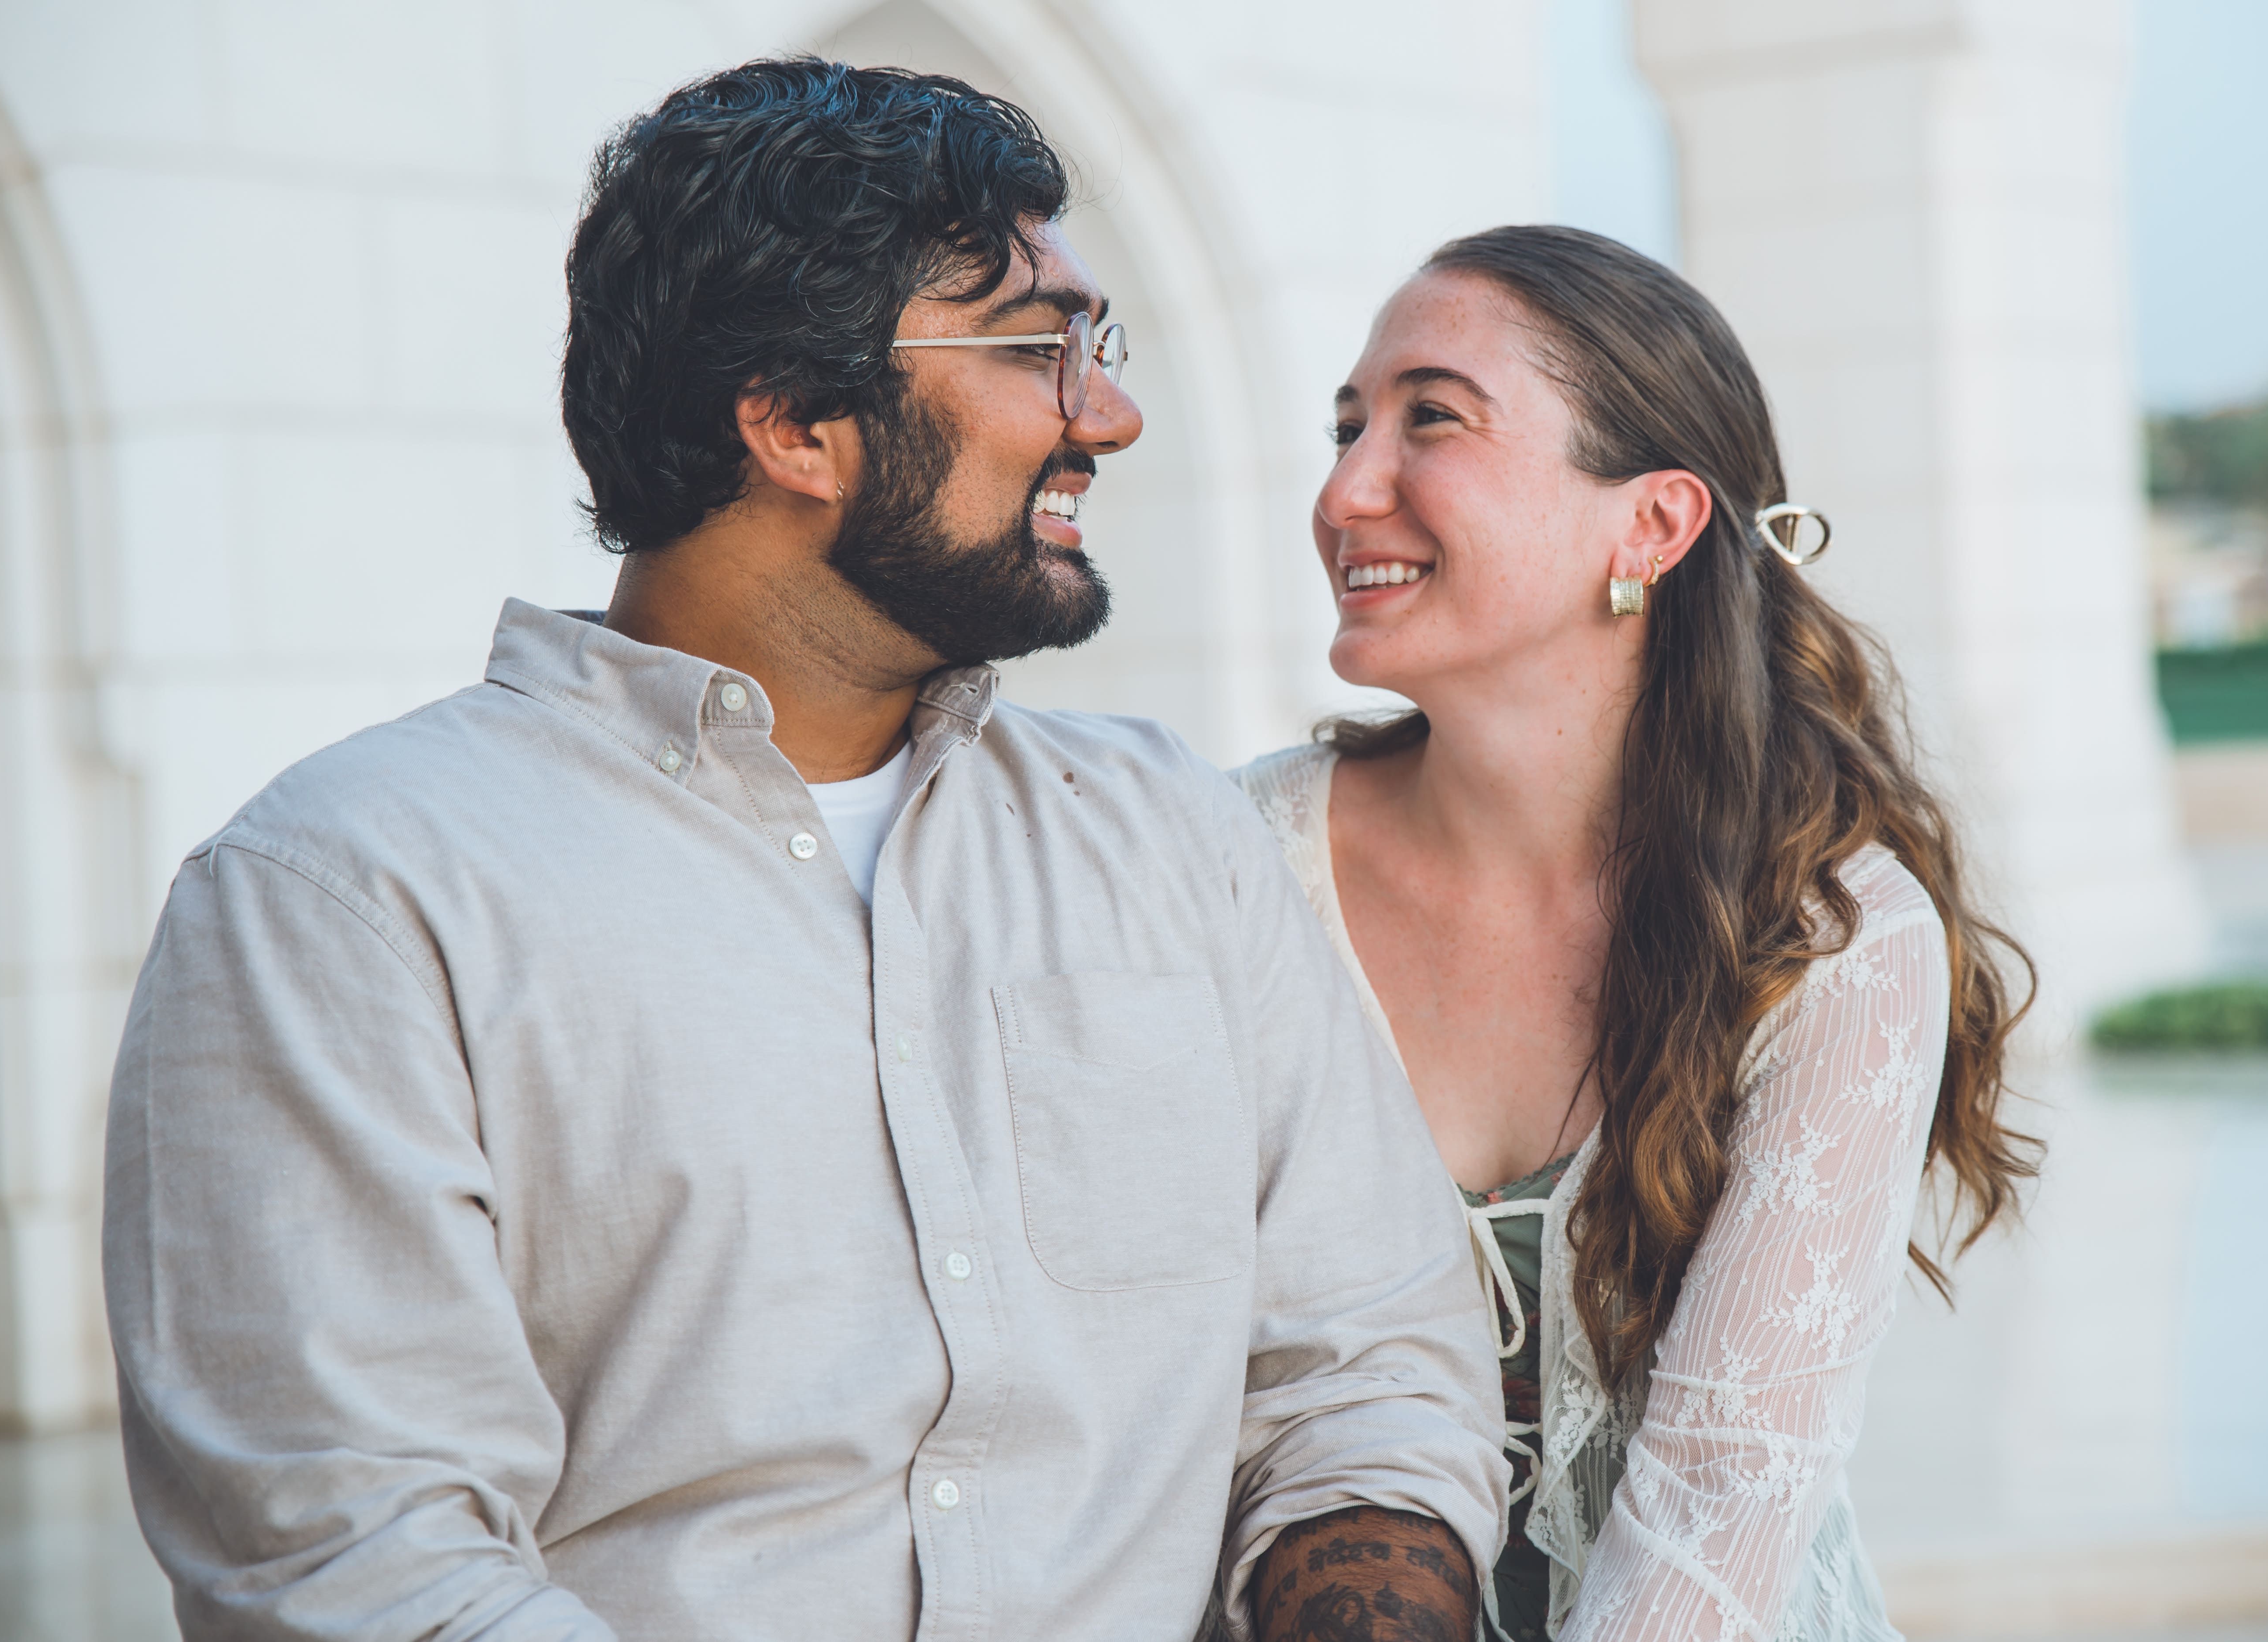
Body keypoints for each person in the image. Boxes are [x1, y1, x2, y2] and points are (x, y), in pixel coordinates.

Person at [103, 59, 1506, 1642]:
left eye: (1097, 346)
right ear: (791, 424)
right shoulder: (343, 902)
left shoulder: (1177, 841)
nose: (1104, 413)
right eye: (1039, 346)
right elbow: (358, 1565)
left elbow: (1370, 1373)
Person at [1232, 226, 2038, 1642]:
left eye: (1432, 419)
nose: (1346, 489)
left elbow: (1725, 1502)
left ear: (1651, 526)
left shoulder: (1829, 936)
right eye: (1346, 426)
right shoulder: (1234, 863)